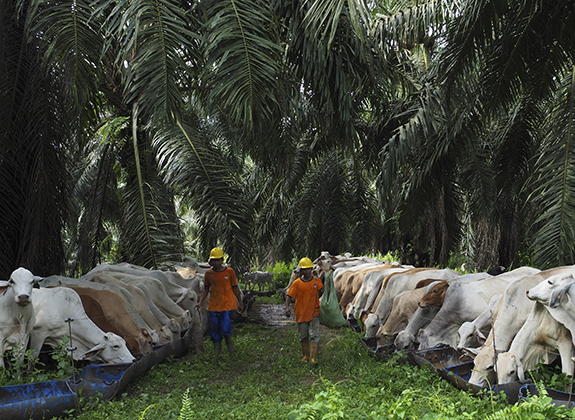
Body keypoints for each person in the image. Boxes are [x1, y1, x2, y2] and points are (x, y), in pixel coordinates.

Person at [195, 247, 244, 356]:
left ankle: (227, 339)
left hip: (227, 305)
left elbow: (235, 287)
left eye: (218, 260)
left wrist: (240, 302)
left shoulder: (229, 272)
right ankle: (218, 351)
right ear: (210, 261)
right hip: (213, 305)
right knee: (214, 329)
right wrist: (200, 301)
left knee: (225, 328)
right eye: (214, 260)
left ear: (222, 260)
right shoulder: (208, 274)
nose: (216, 262)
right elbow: (206, 289)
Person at [285, 257, 323, 363]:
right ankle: (305, 356)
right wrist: (287, 307)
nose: (306, 271)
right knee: (303, 336)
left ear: (312, 269)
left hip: (314, 313)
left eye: (308, 269)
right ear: (300, 271)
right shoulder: (297, 283)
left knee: (315, 336)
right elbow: (289, 295)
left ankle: (313, 358)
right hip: (301, 313)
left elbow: (324, 291)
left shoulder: (317, 281)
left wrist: (328, 278)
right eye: (304, 269)